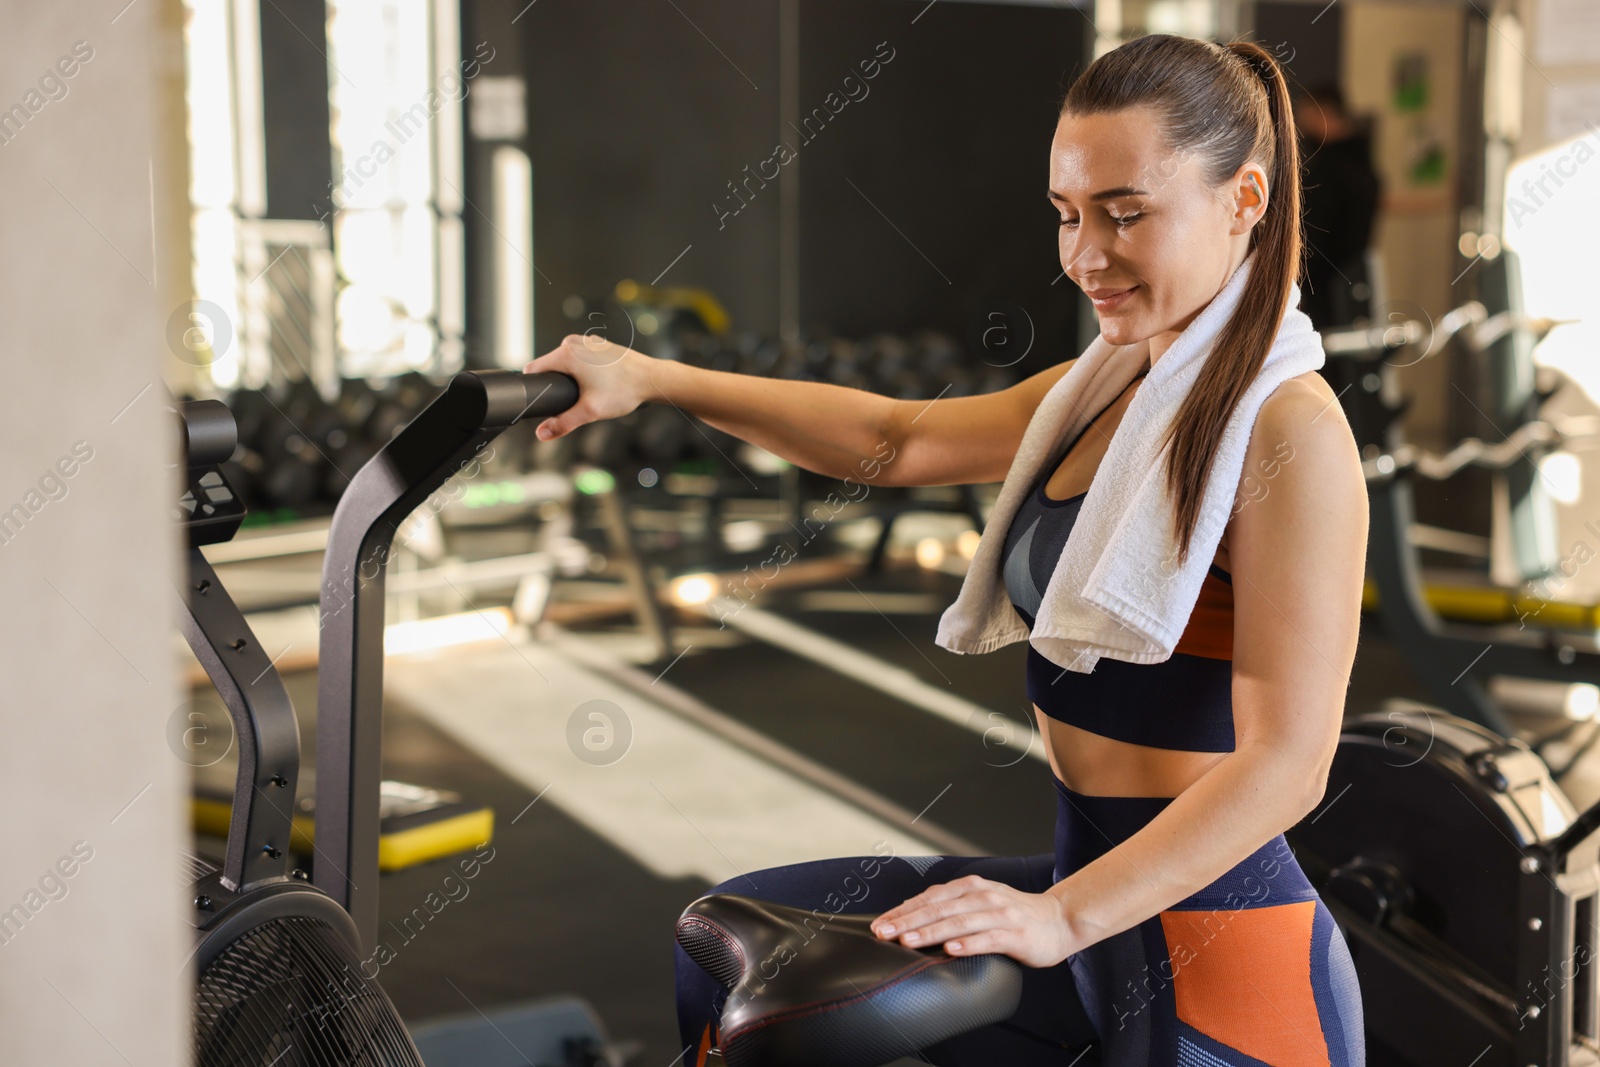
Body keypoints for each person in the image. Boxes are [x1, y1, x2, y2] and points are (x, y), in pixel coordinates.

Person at [525, 33, 1368, 1067]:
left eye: (1125, 213)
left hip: (1220, 971)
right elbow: (896, 439)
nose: (1083, 256)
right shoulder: (1104, 386)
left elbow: (1288, 764)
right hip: (1082, 901)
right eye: (1065, 215)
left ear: (1244, 198)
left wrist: (1058, 915)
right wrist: (655, 378)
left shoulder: (1289, 430)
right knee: (725, 947)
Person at [1293, 83, 1382, 330]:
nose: (1302, 126)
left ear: (1324, 112)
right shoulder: (1363, 166)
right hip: (1351, 287)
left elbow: (1312, 239)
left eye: (1306, 116)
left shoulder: (1330, 171)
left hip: (1323, 295)